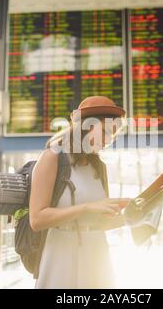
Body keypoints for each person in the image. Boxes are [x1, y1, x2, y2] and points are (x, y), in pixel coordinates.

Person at [30, 96, 132, 289]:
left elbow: (100, 222)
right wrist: (87, 207)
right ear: (84, 126)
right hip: (61, 255)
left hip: (97, 255)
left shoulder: (99, 167)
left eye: (113, 135)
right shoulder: (53, 157)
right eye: (105, 131)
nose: (109, 140)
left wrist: (132, 215)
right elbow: (37, 219)